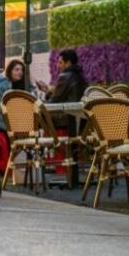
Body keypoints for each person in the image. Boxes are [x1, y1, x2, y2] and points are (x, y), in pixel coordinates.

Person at [36, 50, 87, 184]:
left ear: (68, 63)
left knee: (37, 118)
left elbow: (54, 101)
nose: (58, 65)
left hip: (67, 119)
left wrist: (40, 102)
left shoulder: (65, 76)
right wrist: (49, 92)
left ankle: (34, 155)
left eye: (60, 62)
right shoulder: (80, 76)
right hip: (81, 121)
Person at [0, 60, 37, 174]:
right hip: (3, 124)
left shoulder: (18, 85)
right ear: (9, 71)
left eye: (22, 70)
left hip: (10, 123)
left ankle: (23, 167)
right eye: (16, 69)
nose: (20, 72)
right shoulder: (5, 86)